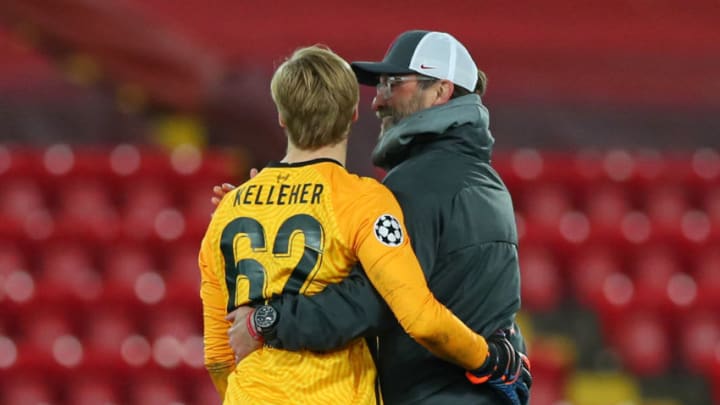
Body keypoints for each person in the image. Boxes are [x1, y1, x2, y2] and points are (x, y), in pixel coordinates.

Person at [218, 30, 532, 405]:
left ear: (441, 91)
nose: (377, 101)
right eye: (379, 85)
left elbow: (371, 300)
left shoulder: (416, 184)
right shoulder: (484, 180)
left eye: (393, 84)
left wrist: (266, 322)